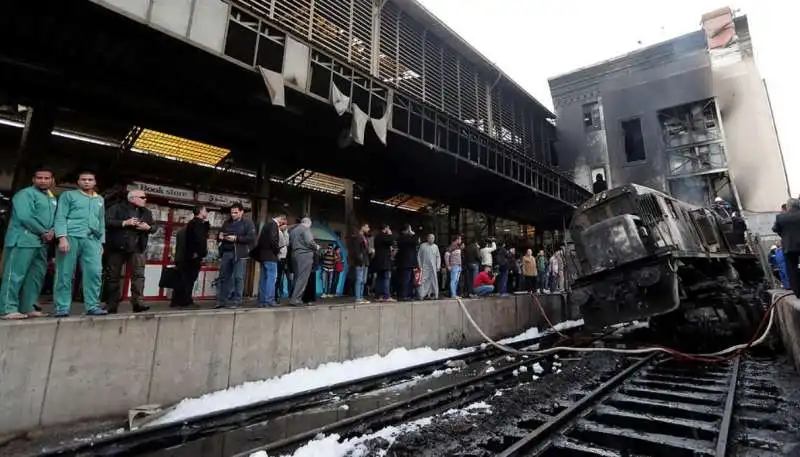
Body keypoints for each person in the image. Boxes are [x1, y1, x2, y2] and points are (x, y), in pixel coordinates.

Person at [0, 168, 57, 319]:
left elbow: (55, 218)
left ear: (52, 180)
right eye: (39, 178)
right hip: (23, 240)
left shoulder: (51, 197)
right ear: (33, 179)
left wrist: (53, 231)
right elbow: (25, 217)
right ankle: (7, 308)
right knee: (14, 274)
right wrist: (44, 232)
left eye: (46, 178)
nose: (43, 181)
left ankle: (27, 307)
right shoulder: (24, 194)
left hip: (41, 243)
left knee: (35, 276)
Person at [53, 170, 108, 317]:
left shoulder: (100, 199)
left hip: (92, 240)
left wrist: (101, 242)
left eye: (90, 179)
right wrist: (62, 237)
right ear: (78, 181)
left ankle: (92, 306)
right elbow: (60, 216)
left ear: (95, 182)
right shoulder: (68, 195)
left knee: (95, 272)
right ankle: (62, 307)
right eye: (83, 179)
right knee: (65, 272)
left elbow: (101, 221)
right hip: (71, 236)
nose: (87, 182)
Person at [104, 189, 155, 313]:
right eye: (142, 197)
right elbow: (106, 222)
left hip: (138, 248)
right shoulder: (116, 208)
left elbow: (153, 227)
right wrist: (124, 223)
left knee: (139, 276)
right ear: (132, 198)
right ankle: (111, 305)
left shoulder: (146, 212)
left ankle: (138, 303)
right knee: (113, 276)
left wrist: (148, 228)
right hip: (117, 247)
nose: (145, 200)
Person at [215, 203, 256, 308]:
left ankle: (237, 300)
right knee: (224, 277)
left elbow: (251, 238)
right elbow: (219, 234)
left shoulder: (248, 223)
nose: (233, 215)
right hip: (227, 252)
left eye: (235, 212)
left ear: (242, 212)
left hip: (240, 253)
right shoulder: (227, 223)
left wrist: (236, 238)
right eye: (232, 212)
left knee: (238, 277)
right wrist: (219, 236)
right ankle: (221, 301)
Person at [171, 205, 209, 308]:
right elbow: (197, 240)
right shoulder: (197, 224)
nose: (207, 212)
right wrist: (198, 254)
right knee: (189, 280)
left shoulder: (192, 224)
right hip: (192, 258)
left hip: (187, 257)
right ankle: (186, 301)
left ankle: (178, 301)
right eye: (205, 210)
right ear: (201, 211)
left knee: (184, 279)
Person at [253, 212, 286, 307]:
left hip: (263, 256)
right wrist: (277, 251)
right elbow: (273, 240)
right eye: (283, 222)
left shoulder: (266, 225)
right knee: (272, 278)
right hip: (270, 256)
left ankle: (262, 301)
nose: (282, 224)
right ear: (281, 219)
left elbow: (260, 241)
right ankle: (269, 300)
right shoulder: (273, 225)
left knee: (263, 278)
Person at [773, 199, 800, 298]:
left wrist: (784, 236)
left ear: (788, 207)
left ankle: (798, 292)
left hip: (790, 247)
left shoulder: (781, 217)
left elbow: (775, 229)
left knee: (792, 270)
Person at [289, 217, 318, 306]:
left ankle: (293, 297)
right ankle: (296, 299)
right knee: (303, 278)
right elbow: (310, 242)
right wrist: (317, 247)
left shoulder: (293, 231)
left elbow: (290, 243)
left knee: (297, 277)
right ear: (309, 223)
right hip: (304, 255)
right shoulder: (305, 229)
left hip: (295, 255)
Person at [371, 224, 394, 302]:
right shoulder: (384, 236)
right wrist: (390, 234)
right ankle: (386, 296)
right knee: (386, 278)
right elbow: (391, 242)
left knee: (379, 278)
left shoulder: (377, 237)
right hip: (384, 261)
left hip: (378, 261)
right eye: (388, 228)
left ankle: (378, 295)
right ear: (386, 228)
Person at [350, 223, 371, 303]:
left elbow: (365, 250)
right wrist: (360, 260)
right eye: (367, 227)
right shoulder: (358, 237)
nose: (368, 229)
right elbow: (357, 251)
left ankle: (361, 297)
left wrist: (370, 251)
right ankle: (358, 298)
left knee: (363, 280)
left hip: (365, 261)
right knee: (359, 279)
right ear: (362, 227)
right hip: (360, 262)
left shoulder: (365, 237)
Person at [417, 233, 441, 299]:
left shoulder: (435, 247)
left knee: (433, 280)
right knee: (423, 280)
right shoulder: (423, 246)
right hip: (424, 267)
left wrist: (438, 266)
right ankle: (422, 295)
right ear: (427, 238)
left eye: (433, 238)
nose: (432, 239)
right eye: (431, 238)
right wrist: (419, 265)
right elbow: (419, 256)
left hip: (433, 267)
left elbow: (438, 257)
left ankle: (433, 294)